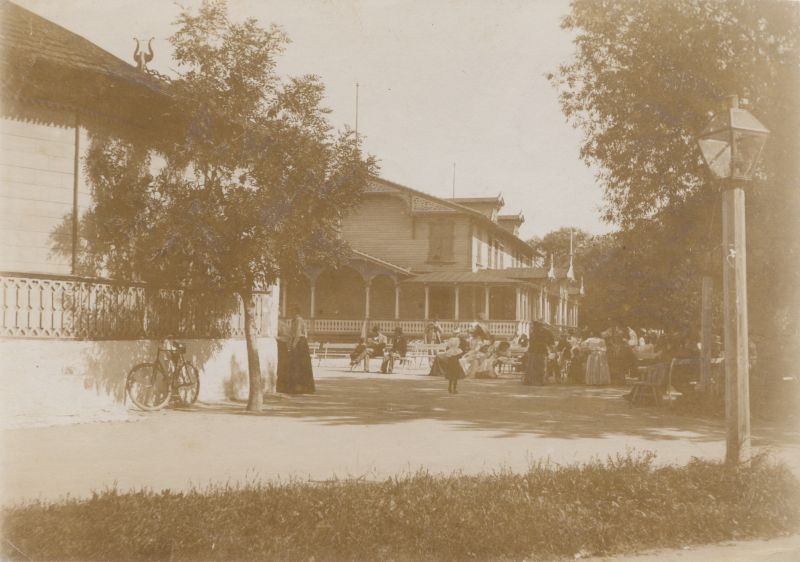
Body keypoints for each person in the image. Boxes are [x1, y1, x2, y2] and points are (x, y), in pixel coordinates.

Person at [286, 308, 315, 393]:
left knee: (300, 365)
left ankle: (302, 388)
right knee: (296, 365)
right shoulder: (294, 320)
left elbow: (298, 334)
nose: (291, 313)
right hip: (298, 342)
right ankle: (296, 387)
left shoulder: (298, 320)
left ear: (296, 312)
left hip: (300, 343)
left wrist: (293, 345)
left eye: (292, 311)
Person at [524, 321, 554, 385]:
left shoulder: (546, 332)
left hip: (541, 351)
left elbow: (550, 341)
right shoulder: (533, 332)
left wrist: (549, 347)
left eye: (535, 326)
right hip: (534, 351)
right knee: (533, 366)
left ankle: (540, 380)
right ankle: (532, 380)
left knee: (541, 366)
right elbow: (532, 342)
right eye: (534, 326)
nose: (534, 327)